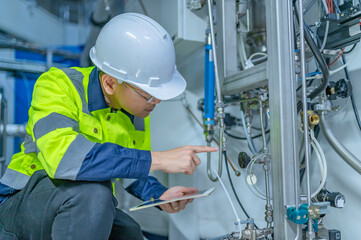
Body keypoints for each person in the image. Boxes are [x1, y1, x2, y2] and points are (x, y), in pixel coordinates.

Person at [0, 13, 217, 240]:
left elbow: (129, 167)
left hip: (83, 201)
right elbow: (66, 159)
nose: (157, 101)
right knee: (95, 193)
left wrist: (160, 195)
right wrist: (159, 159)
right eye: (149, 95)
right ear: (110, 83)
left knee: (130, 233)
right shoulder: (56, 86)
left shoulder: (136, 111)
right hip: (20, 206)